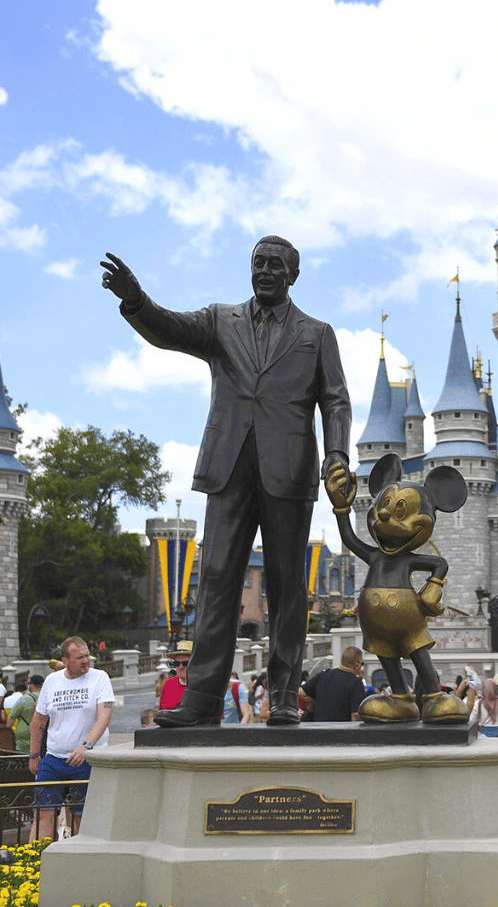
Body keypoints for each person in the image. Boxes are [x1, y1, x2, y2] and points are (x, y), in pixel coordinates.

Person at [103, 238, 352, 728]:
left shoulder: (317, 333)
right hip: (228, 467)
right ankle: (200, 700)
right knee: (216, 580)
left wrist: (337, 454)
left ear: (293, 275)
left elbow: (336, 400)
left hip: (290, 470)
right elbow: (167, 329)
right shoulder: (221, 321)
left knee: (287, 586)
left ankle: (283, 695)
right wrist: (136, 301)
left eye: (275, 265)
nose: (264, 271)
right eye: (258, 263)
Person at [29, 637, 114, 839]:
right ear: (65, 661)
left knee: (80, 817)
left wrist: (86, 746)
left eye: (87, 656)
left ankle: (78, 863)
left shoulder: (100, 677)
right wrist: (33, 754)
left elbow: (105, 715)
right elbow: (38, 721)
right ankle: (36, 862)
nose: (86, 661)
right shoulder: (52, 681)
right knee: (42, 813)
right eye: (80, 657)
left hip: (87, 759)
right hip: (53, 759)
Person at [300, 647, 366, 723]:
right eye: (362, 664)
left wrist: (319, 701)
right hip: (340, 731)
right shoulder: (356, 682)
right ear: (357, 665)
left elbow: (301, 692)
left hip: (319, 730)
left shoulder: (323, 675)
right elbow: (355, 715)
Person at [8, 674, 42, 754]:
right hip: (42, 737)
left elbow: (11, 718)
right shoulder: (47, 698)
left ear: (32, 685)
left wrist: (8, 734)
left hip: (24, 741)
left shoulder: (24, 699)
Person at [158, 641, 192, 711]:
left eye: (185, 663)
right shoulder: (168, 684)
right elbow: (161, 713)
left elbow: (219, 719)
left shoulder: (203, 687)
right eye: (177, 663)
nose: (180, 667)